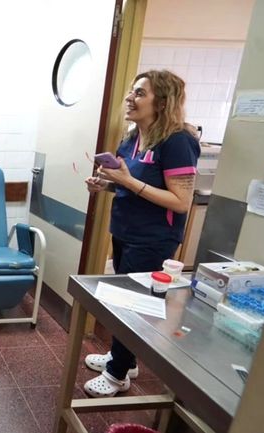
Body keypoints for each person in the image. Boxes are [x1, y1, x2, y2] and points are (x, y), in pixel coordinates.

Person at [82, 70, 200, 398]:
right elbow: (129, 185)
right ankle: (125, 358)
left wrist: (127, 182)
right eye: (131, 92)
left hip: (153, 239)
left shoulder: (178, 142)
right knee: (123, 300)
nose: (129, 98)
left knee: (131, 304)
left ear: (162, 102)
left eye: (140, 93)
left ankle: (118, 373)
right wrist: (105, 185)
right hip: (124, 231)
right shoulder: (132, 139)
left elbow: (180, 201)